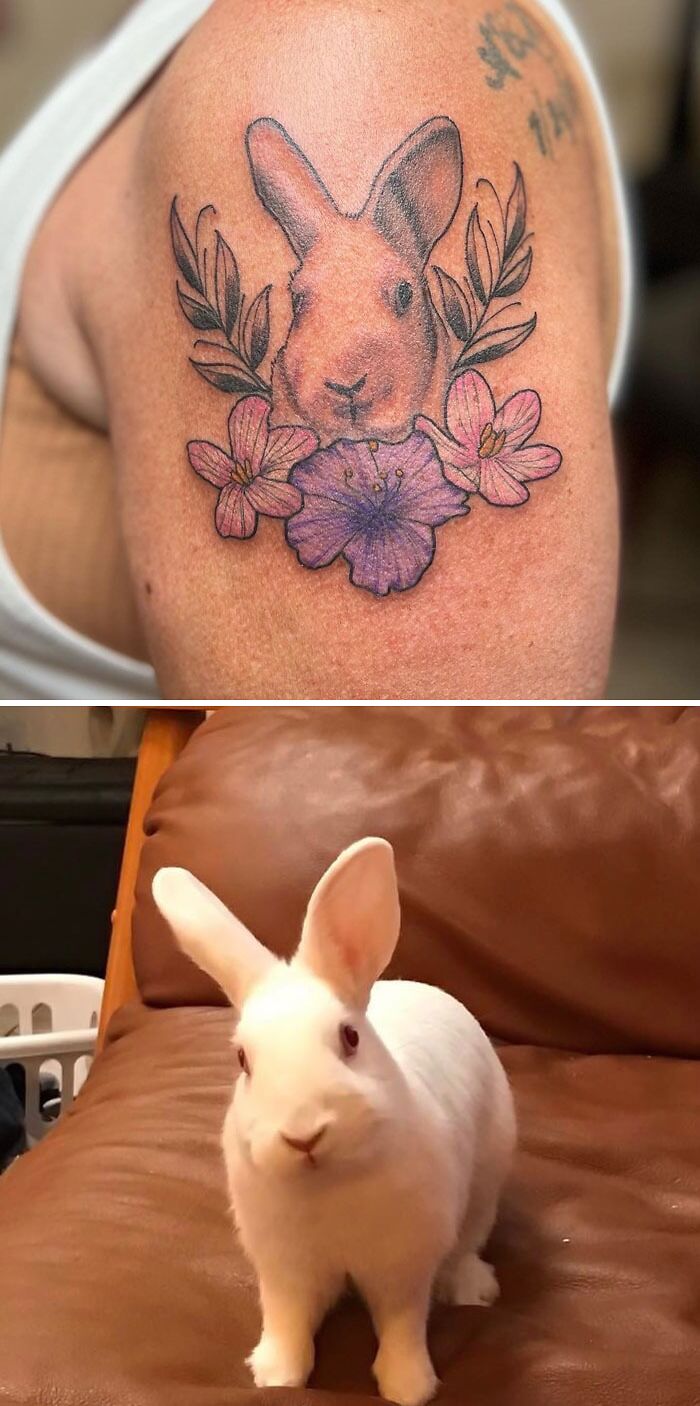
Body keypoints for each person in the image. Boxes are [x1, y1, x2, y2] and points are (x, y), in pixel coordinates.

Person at [0, 0, 632, 700]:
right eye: (302, 301)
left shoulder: (328, 55)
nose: (349, 376)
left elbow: (391, 786)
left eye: (397, 296)